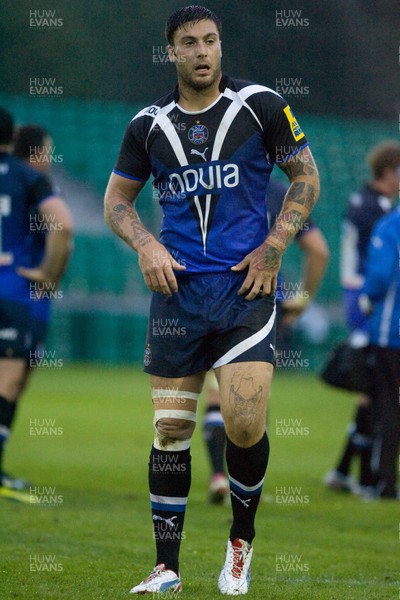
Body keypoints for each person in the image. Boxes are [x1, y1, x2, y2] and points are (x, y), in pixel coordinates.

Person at [104, 5, 319, 595]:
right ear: (170, 52)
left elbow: (306, 177)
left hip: (244, 290)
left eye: (211, 41)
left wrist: (275, 246)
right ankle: (167, 566)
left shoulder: (263, 106)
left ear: (221, 47)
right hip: (176, 296)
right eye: (189, 43)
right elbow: (116, 202)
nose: (202, 52)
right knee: (172, 428)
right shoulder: (148, 126)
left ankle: (240, 542)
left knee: (245, 425)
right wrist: (145, 244)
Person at [204, 178, 329, 503]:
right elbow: (319, 251)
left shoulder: (210, 180)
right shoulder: (281, 194)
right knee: (254, 396)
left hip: (209, 297)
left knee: (217, 392)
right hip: (262, 302)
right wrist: (300, 302)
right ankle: (244, 485)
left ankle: (218, 474)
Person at [0, 110, 72, 501]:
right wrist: (49, 277)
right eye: (48, 150)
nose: (49, 156)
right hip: (20, 292)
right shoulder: (33, 182)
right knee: (12, 377)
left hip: (18, 292)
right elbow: (65, 230)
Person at [324, 140, 400, 495]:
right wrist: (369, 302)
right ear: (389, 171)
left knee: (371, 389)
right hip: (370, 303)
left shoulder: (362, 201)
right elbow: (380, 269)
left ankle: (345, 471)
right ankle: (370, 476)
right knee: (375, 388)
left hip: (359, 297)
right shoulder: (378, 209)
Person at [358, 207, 400, 499]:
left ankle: (384, 482)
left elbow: (381, 276)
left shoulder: (391, 225)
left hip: (392, 334)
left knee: (387, 407)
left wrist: (366, 297)